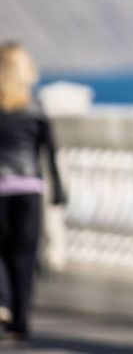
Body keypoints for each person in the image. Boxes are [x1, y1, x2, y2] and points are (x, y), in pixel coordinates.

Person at [0, 42, 67, 342]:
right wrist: (58, 188)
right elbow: (49, 151)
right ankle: (22, 319)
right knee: (25, 256)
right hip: (29, 188)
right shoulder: (36, 104)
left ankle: (2, 301)